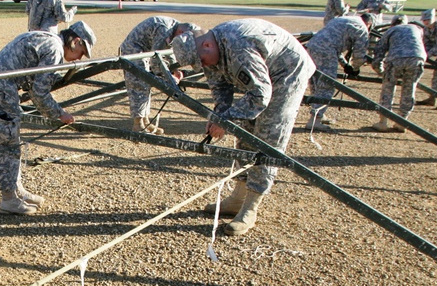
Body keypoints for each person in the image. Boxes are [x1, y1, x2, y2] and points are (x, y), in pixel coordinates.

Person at [170, 19, 315, 236]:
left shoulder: (238, 46)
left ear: (207, 46)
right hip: (263, 79)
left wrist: (225, 121)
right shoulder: (210, 51)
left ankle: (250, 208)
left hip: (287, 72)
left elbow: (260, 95)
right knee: (245, 129)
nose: (204, 66)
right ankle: (238, 198)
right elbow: (220, 87)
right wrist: (218, 116)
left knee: (268, 138)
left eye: (202, 61)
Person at [0, 21, 96, 215]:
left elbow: (34, 80)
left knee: (12, 141)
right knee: (6, 143)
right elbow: (39, 93)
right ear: (75, 42)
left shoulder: (47, 39)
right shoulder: (55, 49)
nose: (79, 57)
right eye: (82, 52)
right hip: (1, 88)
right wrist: (59, 113)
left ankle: (16, 190)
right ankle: (8, 199)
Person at [119, 17, 201, 134]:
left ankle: (146, 121)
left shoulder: (174, 29)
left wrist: (175, 69)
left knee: (146, 85)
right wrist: (168, 77)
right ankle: (138, 124)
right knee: (139, 85)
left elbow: (168, 51)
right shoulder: (165, 30)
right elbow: (156, 60)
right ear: (181, 33)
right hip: (134, 50)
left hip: (144, 51)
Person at [303, 13, 374, 130]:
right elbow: (359, 55)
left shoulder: (345, 19)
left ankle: (318, 113)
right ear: (369, 24)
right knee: (327, 85)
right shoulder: (362, 28)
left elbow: (335, 44)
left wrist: (345, 64)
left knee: (316, 82)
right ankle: (315, 120)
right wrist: (354, 69)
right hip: (326, 51)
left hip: (313, 46)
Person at [369, 15, 427, 133]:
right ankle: (402, 122)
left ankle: (383, 121)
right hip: (417, 58)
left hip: (396, 59)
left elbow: (379, 51)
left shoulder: (391, 31)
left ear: (393, 23)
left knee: (388, 89)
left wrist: (379, 70)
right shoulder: (417, 29)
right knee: (409, 89)